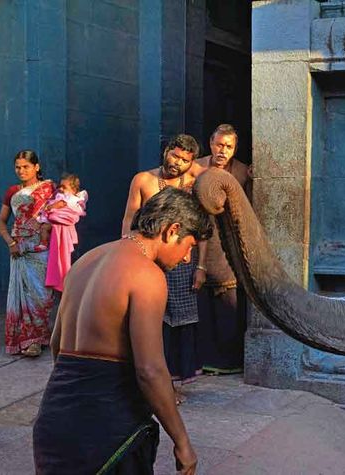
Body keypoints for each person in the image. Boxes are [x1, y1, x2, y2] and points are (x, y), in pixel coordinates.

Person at [33, 187, 212, 474]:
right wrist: (182, 442)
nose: (187, 257)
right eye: (189, 245)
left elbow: (57, 345)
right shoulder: (147, 275)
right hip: (107, 434)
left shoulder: (85, 262)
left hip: (54, 423)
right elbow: (150, 370)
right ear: (171, 230)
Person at [122, 134, 207, 404]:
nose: (177, 163)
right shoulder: (143, 180)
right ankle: (151, 384)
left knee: (179, 324)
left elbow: (201, 232)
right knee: (150, 321)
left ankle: (171, 385)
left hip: (182, 263)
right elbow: (129, 220)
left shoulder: (194, 182)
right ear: (166, 150)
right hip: (147, 261)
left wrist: (200, 265)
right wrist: (126, 255)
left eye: (185, 160)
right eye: (175, 155)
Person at [195, 124, 250, 374]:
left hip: (228, 245)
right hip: (198, 238)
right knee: (200, 302)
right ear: (211, 143)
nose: (223, 150)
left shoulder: (241, 171)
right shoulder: (196, 168)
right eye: (219, 145)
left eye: (228, 146)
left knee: (229, 301)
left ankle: (228, 361)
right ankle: (202, 358)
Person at [0, 150, 55, 357]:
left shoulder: (49, 189)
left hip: (41, 248)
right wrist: (10, 242)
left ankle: (40, 338)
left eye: (26, 167)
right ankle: (27, 341)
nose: (21, 171)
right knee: (21, 295)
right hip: (19, 249)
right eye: (18, 167)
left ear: (36, 167)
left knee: (41, 295)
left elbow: (61, 214)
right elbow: (1, 221)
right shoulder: (12, 191)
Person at [38, 173, 88, 292]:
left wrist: (52, 210)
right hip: (54, 226)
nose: (60, 189)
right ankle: (43, 242)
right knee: (44, 228)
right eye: (60, 186)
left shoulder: (71, 200)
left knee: (64, 260)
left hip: (63, 228)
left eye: (64, 187)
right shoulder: (59, 196)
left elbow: (65, 210)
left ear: (74, 190)